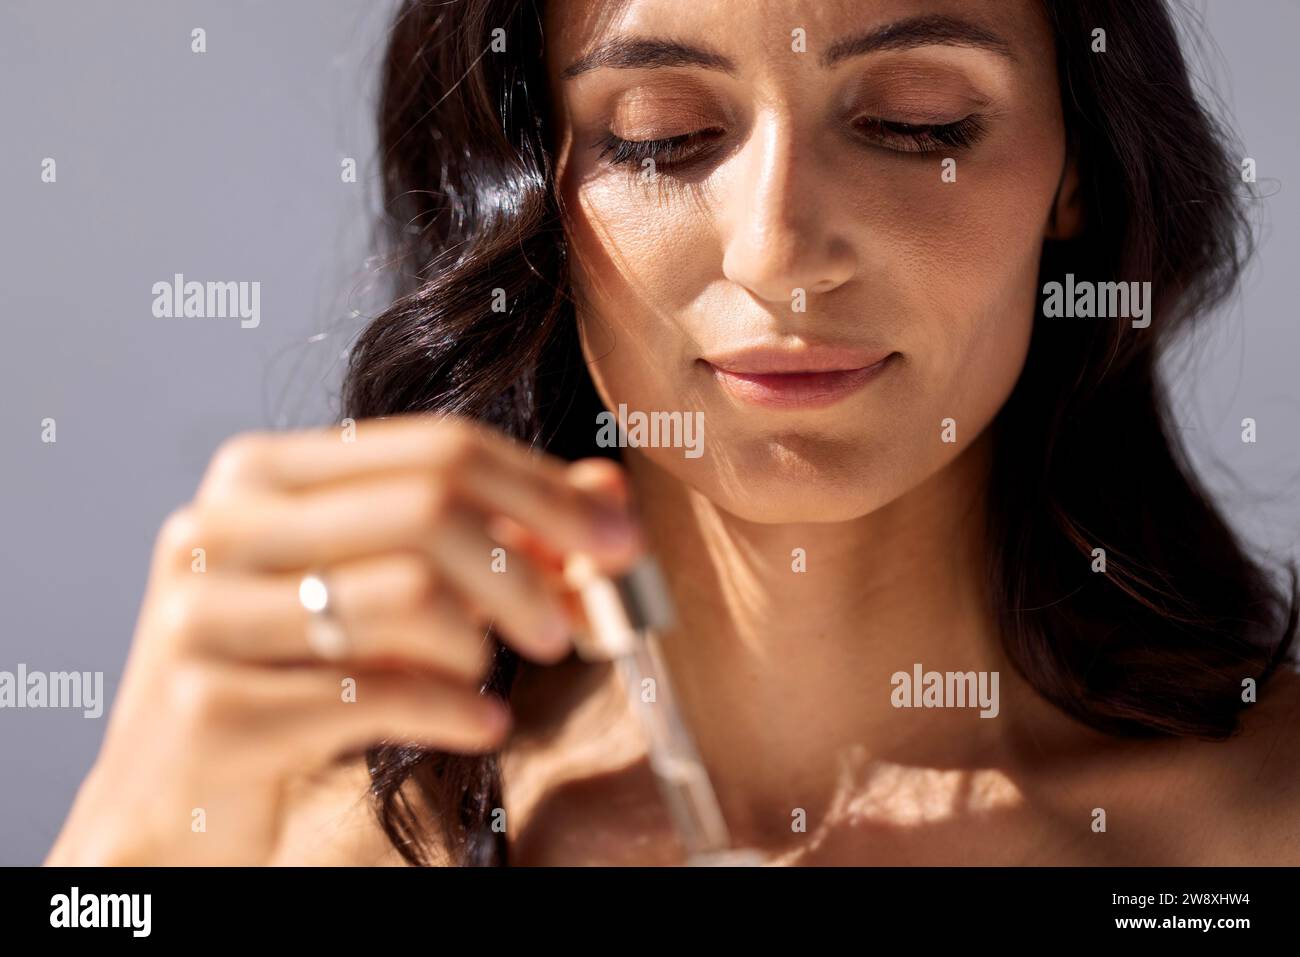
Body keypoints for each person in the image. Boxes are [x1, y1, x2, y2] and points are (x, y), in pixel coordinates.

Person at [46, 0, 1300, 866]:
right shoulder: (310, 839)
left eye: (918, 122)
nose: (780, 253)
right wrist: (131, 847)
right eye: (660, 137)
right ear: (531, 186)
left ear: (1074, 161)